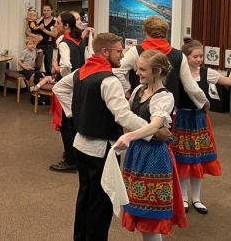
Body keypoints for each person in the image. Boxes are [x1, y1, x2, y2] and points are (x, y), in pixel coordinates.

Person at [53, 33, 171, 241]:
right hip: (102, 148)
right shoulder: (109, 79)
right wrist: (153, 130)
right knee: (101, 203)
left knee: (85, 197)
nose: (122, 54)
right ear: (105, 52)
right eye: (118, 50)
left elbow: (59, 87)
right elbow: (123, 115)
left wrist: (77, 114)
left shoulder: (82, 71)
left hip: (80, 144)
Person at [112, 50, 187, 241]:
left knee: (150, 217)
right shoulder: (138, 91)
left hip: (154, 157)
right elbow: (130, 118)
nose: (137, 73)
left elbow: (154, 124)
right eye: (138, 68)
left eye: (143, 69)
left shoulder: (164, 97)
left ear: (158, 70)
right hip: (136, 154)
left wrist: (131, 136)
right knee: (140, 210)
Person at [176, 40, 225, 214]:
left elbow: (227, 81)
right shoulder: (178, 73)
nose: (199, 59)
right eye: (195, 56)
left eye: (201, 56)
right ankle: (182, 198)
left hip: (199, 120)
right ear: (186, 57)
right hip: (181, 119)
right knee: (183, 160)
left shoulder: (207, 72)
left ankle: (196, 198)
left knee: (198, 160)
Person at [45, 11, 88, 173]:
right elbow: (85, 62)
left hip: (67, 86)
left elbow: (65, 66)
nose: (55, 25)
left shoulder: (63, 43)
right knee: (75, 121)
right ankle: (77, 155)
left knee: (65, 123)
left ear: (66, 25)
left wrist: (58, 73)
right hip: (80, 85)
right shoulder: (81, 41)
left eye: (58, 22)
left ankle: (71, 160)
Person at [30, 3, 57, 76]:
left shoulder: (55, 21)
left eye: (48, 10)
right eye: (44, 10)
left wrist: (43, 29)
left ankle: (48, 82)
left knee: (48, 66)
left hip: (48, 45)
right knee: (35, 64)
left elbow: (54, 34)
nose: (46, 12)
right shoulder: (39, 19)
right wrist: (35, 36)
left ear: (52, 11)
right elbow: (28, 30)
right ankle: (36, 81)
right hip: (38, 45)